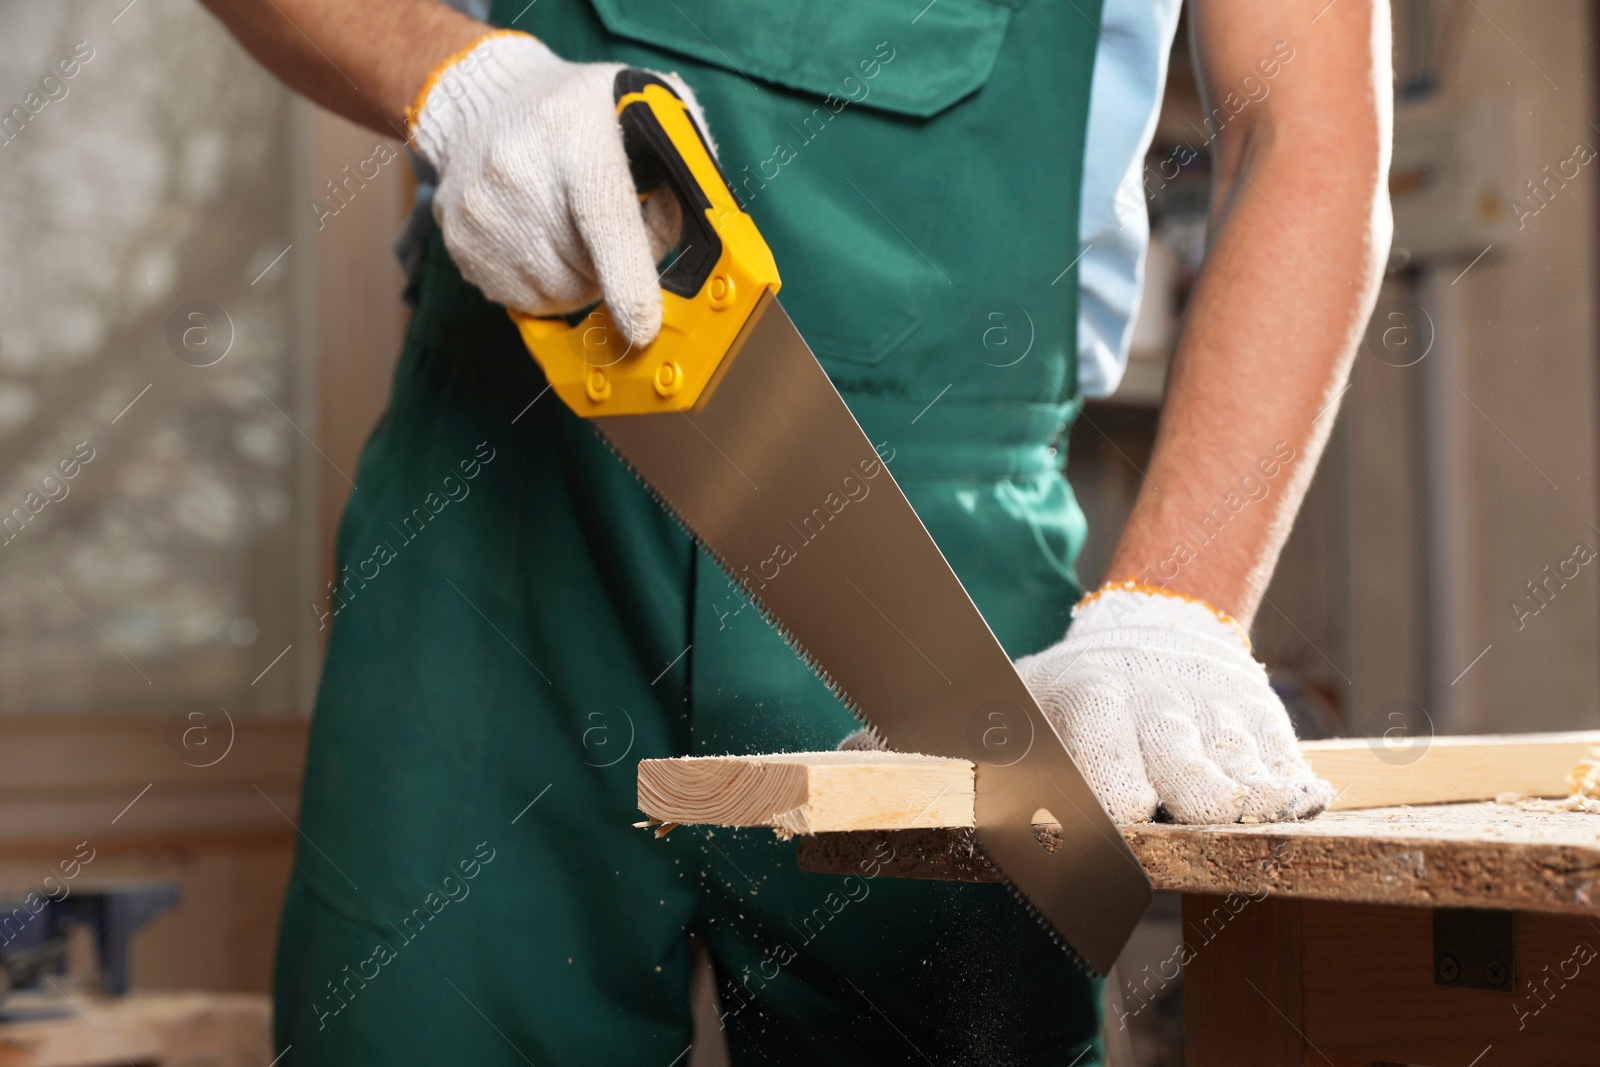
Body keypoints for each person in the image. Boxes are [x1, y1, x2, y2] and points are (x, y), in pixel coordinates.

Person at [199, 0, 1392, 1062]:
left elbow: (1307, 131)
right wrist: (455, 79)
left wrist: (1173, 607)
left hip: (934, 537)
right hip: (498, 494)